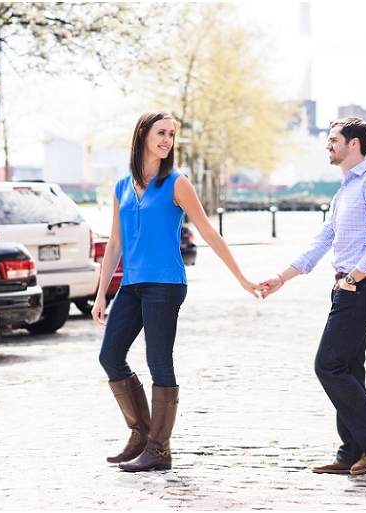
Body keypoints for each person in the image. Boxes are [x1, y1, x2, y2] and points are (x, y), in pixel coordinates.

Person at [92, 111, 263, 472]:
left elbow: (209, 232)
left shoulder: (177, 183)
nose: (168, 139)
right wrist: (101, 294)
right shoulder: (122, 186)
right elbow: (114, 244)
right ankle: (141, 434)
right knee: (110, 357)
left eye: (171, 134)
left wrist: (242, 278)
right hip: (132, 284)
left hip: (166, 284)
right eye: (161, 132)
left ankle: (159, 449)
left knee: (158, 361)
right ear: (142, 135)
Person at [259, 117, 366, 476]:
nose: (328, 145)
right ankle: (351, 453)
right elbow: (322, 241)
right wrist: (282, 277)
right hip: (347, 288)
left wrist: (353, 278)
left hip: (363, 288)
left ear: (354, 143)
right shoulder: (345, 191)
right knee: (349, 369)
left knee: (328, 364)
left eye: (333, 139)